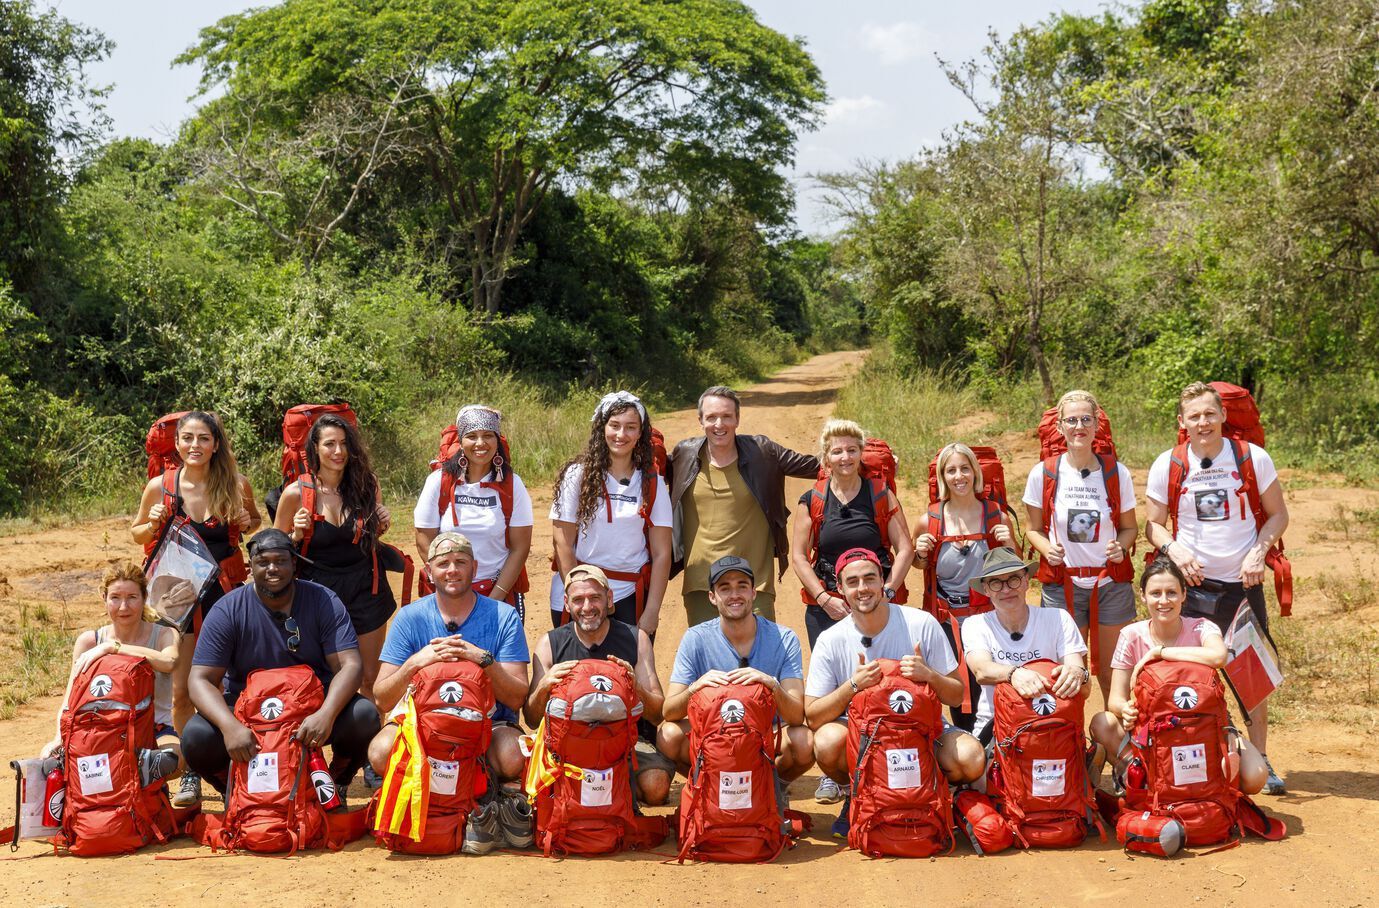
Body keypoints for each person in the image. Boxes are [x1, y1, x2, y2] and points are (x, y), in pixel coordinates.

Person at [1144, 381, 1290, 793]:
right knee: (1188, 673)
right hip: (1191, 588)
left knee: (1251, 676)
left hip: (1243, 585)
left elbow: (1278, 515)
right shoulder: (1168, 464)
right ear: (1182, 422)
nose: (1203, 422)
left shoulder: (1250, 457)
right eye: (1195, 416)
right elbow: (1152, 524)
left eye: (1210, 414)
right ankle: (1194, 756)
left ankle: (1259, 759)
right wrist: (1175, 549)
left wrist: (1259, 552)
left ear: (1223, 415)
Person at [182, 529, 380, 806]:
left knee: (364, 716)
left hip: (310, 708)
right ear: (250, 567)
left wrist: (327, 714)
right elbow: (199, 679)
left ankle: (336, 782)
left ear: (295, 564)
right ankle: (235, 789)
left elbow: (350, 665)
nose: (272, 569)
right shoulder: (227, 609)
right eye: (263, 562)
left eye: (281, 561)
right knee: (196, 736)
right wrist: (230, 727)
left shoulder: (324, 600)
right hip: (247, 711)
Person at [366, 532, 530, 852]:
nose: (452, 570)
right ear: (429, 572)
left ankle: (484, 788)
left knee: (513, 755)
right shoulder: (411, 617)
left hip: (488, 725)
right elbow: (382, 697)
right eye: (443, 564)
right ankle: (436, 791)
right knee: (379, 752)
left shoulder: (502, 616)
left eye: (461, 562)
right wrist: (415, 662)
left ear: (475, 568)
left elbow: (516, 697)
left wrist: (481, 659)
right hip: (425, 730)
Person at [804, 548, 986, 832]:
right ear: (839, 588)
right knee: (827, 741)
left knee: (971, 759)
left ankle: (932, 794)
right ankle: (856, 793)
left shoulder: (920, 623)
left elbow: (955, 694)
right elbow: (813, 716)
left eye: (869, 579)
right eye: (852, 582)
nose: (862, 588)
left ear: (883, 581)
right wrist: (853, 686)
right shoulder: (831, 639)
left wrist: (929, 676)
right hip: (864, 736)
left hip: (923, 730)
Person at [130, 410, 260, 807]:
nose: (195, 446)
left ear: (216, 444)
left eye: (204, 438)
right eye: (187, 438)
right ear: (177, 443)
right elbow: (137, 533)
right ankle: (190, 772)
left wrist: (246, 519)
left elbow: (253, 522)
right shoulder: (161, 486)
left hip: (225, 595)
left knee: (231, 684)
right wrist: (151, 524)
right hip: (179, 596)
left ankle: (237, 764)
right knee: (183, 689)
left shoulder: (235, 484)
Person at [1089, 559, 1267, 794]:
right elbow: (1115, 700)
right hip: (1155, 730)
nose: (1164, 601)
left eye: (1172, 592)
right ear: (1143, 596)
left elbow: (1219, 656)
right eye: (1156, 593)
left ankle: (1203, 781)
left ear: (1184, 594)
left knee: (1255, 777)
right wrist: (1126, 710)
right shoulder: (1131, 635)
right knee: (1102, 723)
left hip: (1201, 726)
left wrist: (1160, 652)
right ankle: (1143, 774)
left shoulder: (1202, 627)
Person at [657, 555, 814, 796]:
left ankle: (772, 786)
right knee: (668, 736)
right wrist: (695, 688)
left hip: (766, 735)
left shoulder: (784, 638)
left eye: (742, 586)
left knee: (804, 742)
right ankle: (708, 781)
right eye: (724, 588)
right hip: (714, 737)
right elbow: (669, 711)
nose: (734, 595)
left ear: (753, 592)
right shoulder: (695, 638)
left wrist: (770, 684)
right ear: (712, 597)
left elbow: (795, 716)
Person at [1023, 390, 1138, 702]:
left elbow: (1130, 528)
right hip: (1062, 585)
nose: (1079, 426)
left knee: (1115, 673)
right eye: (1071, 420)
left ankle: (1114, 744)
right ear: (1060, 427)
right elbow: (1032, 529)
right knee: (1066, 674)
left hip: (1109, 582)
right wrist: (1047, 549)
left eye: (1086, 419)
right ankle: (1071, 746)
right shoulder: (1044, 473)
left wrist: (1122, 547)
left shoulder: (1116, 472)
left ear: (1097, 424)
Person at [669, 386, 819, 626]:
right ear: (700, 420)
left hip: (754, 583)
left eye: (727, 416)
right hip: (701, 583)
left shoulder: (762, 452)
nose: (720, 424)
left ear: (737, 418)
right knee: (709, 660)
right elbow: (642, 469)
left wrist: (868, 458)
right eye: (711, 417)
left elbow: (815, 466)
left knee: (760, 659)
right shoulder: (684, 455)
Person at [526, 564, 674, 806]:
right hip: (569, 743)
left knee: (655, 785)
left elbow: (657, 714)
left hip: (625, 741)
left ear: (609, 599)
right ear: (566, 603)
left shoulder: (636, 639)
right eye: (578, 600)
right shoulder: (550, 644)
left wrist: (636, 688)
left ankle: (610, 791)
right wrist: (544, 686)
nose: (587, 607)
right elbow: (532, 719)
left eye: (595, 598)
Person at [274, 414, 395, 704]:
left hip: (366, 587)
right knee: (326, 678)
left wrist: (382, 522)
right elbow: (272, 550)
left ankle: (368, 746)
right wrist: (296, 536)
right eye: (330, 444)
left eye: (344, 444)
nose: (338, 452)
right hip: (318, 593)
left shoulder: (366, 485)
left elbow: (371, 533)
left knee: (369, 678)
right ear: (314, 448)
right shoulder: (296, 494)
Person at [41, 562, 184, 782]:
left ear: (145, 597)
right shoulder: (90, 641)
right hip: (101, 730)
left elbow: (169, 661)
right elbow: (70, 699)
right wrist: (57, 738)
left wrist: (114, 648)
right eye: (115, 598)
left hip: (154, 729)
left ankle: (148, 790)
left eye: (132, 597)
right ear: (104, 598)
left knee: (173, 759)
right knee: (51, 762)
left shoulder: (165, 633)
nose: (123, 607)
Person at [912, 442, 1015, 731]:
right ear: (942, 477)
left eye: (964, 469)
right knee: (960, 692)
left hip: (989, 618)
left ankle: (995, 755)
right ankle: (971, 759)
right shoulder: (929, 520)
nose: (959, 476)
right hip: (949, 620)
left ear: (975, 472)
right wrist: (920, 553)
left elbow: (1016, 573)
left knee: (992, 686)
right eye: (951, 470)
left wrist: (1007, 543)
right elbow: (921, 567)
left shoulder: (996, 515)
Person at [550, 392, 671, 635]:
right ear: (601, 428)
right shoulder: (577, 476)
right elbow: (562, 543)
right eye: (614, 425)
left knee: (628, 671)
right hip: (580, 594)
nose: (621, 434)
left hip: (629, 596)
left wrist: (652, 611)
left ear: (640, 434)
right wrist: (576, 592)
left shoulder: (652, 482)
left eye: (630, 427)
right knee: (577, 671)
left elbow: (662, 553)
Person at [789, 419, 914, 649]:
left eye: (851, 450)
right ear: (827, 458)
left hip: (877, 603)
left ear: (860, 453)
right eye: (837, 452)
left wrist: (886, 593)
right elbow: (799, 557)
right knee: (832, 681)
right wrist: (823, 599)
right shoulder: (813, 500)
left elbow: (905, 549)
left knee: (885, 673)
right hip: (829, 607)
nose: (845, 457)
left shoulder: (880, 495)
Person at [413, 405, 533, 616]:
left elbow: (520, 548)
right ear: (460, 441)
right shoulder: (438, 482)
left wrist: (493, 601)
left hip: (497, 595)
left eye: (488, 435)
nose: (480, 443)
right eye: (471, 436)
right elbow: (424, 540)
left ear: (497, 440)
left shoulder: (512, 484)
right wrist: (451, 586)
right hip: (448, 594)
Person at [962, 548, 1089, 744]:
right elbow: (981, 671)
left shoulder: (1058, 618)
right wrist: (1014, 674)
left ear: (1026, 581)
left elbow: (1078, 673)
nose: (1006, 589)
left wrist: (1077, 674)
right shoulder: (975, 624)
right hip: (996, 724)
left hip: (1051, 722)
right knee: (969, 764)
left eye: (1014, 579)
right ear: (985, 590)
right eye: (996, 583)